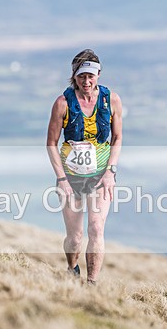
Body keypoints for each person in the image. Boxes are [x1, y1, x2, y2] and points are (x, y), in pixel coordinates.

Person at [46, 49, 123, 284]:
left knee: (96, 228)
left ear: (98, 74)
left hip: (101, 176)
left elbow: (117, 138)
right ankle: (72, 268)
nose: (86, 82)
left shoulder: (112, 100)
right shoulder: (62, 103)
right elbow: (51, 143)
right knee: (75, 237)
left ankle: (92, 283)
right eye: (81, 77)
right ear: (74, 77)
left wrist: (111, 172)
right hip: (71, 176)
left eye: (90, 76)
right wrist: (61, 179)